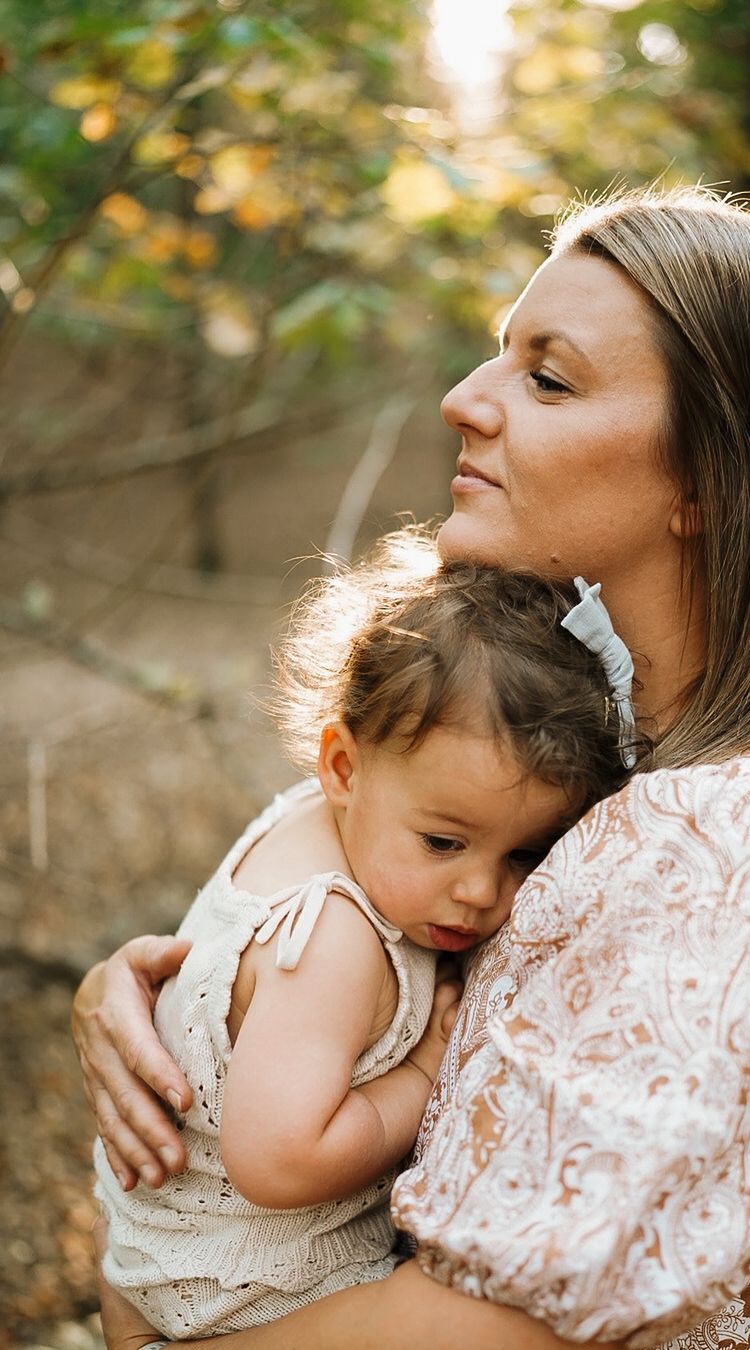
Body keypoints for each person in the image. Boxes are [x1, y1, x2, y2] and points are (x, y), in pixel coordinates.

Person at [75, 185, 750, 1350]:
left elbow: (495, 1330)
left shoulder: (729, 845)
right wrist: (177, 1007)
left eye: (549, 378)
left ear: (711, 482)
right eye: (498, 352)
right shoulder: (598, 758)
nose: (465, 399)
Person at [94, 541, 631, 1338]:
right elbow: (280, 1160)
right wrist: (424, 1073)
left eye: (523, 855)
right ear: (344, 766)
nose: (481, 891)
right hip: (246, 1291)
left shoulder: (319, 821)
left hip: (157, 1249)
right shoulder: (335, 942)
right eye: (444, 843)